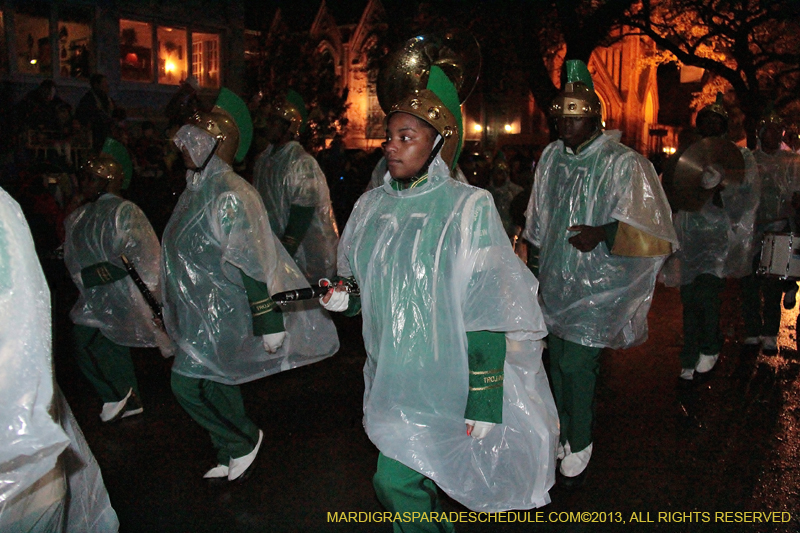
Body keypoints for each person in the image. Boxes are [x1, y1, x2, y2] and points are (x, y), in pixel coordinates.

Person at [323, 64, 558, 531]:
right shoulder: (370, 208)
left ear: (438, 143)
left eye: (405, 136)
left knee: (395, 482)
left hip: (446, 378)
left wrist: (485, 396)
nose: (390, 145)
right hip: (390, 378)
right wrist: (343, 298)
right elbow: (359, 288)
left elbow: (488, 303)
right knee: (409, 481)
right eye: (389, 135)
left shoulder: (468, 207)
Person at [162, 88, 338, 482]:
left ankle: (240, 439)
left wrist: (268, 319)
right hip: (200, 306)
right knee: (218, 377)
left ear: (216, 146)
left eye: (195, 142)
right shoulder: (197, 189)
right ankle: (228, 449)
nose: (186, 149)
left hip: (223, 306)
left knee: (186, 385)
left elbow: (250, 261)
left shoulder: (229, 193)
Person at [524, 60, 677, 486]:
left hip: (598, 282)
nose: (566, 124)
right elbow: (538, 220)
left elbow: (655, 231)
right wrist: (534, 268)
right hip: (555, 279)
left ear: (595, 116)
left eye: (575, 116)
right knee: (556, 361)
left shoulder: (623, 163)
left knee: (578, 363)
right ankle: (562, 431)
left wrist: (604, 232)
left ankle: (582, 438)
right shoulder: (552, 156)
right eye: (561, 116)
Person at [1, 185, 119, 532]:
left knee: (106, 349)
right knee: (91, 347)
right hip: (93, 299)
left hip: (21, 492)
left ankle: (125, 395)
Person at [64, 138, 172, 423]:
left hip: (117, 293)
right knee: (107, 346)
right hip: (95, 295)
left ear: (107, 181)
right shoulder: (81, 214)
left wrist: (104, 274)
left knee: (89, 342)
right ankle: (127, 397)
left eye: (91, 178)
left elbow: (143, 254)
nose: (83, 183)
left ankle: (118, 396)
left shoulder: (124, 211)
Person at [664, 93, 760, 373]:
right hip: (689, 238)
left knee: (707, 294)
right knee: (689, 297)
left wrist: (724, 193)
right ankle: (689, 356)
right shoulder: (686, 155)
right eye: (705, 121)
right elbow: (670, 190)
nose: (710, 126)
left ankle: (709, 345)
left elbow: (749, 197)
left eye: (716, 121)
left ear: (725, 126)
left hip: (718, 238)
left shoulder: (740, 157)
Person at [252, 91, 339, 281]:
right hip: (271, 251)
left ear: (288, 128)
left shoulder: (301, 163)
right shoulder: (264, 160)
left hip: (303, 259)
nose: (268, 126)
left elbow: (302, 215)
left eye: (274, 122)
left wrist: (284, 254)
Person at [744, 110, 800, 348]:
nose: (773, 136)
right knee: (749, 282)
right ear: (760, 134)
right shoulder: (750, 159)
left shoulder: (791, 161)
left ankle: (770, 332)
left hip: (779, 227)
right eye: (769, 131)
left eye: (778, 132)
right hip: (750, 229)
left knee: (773, 283)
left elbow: (797, 193)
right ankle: (751, 329)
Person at [76, 74, 115, 152]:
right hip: (95, 135)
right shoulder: (88, 100)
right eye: (104, 82)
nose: (107, 85)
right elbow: (84, 117)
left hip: (108, 134)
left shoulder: (108, 100)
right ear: (96, 85)